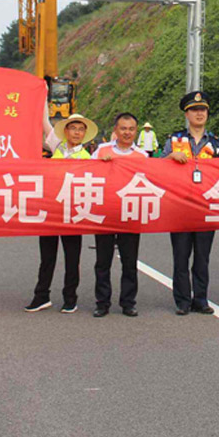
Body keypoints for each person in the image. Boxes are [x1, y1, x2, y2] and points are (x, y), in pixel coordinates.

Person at [24, 113, 98, 314]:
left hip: (73, 213)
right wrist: (41, 98)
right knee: (47, 257)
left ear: (85, 134)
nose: (77, 132)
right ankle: (41, 296)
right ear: (66, 131)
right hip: (50, 210)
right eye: (73, 128)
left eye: (81, 129)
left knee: (72, 258)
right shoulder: (57, 147)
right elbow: (44, 122)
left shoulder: (89, 158)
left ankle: (70, 298)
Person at [163, 91, 219, 315]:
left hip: (205, 209)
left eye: (203, 110)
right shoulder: (174, 141)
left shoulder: (216, 144)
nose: (199, 114)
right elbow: (159, 170)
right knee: (181, 257)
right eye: (194, 110)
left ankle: (201, 299)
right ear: (186, 114)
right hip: (180, 208)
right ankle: (182, 301)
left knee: (202, 258)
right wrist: (170, 158)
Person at [92, 112, 147, 317]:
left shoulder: (142, 156)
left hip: (131, 213)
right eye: (123, 128)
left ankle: (128, 302)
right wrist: (100, 165)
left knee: (129, 262)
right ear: (116, 130)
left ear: (136, 131)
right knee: (102, 262)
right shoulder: (101, 150)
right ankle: (102, 303)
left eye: (131, 129)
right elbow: (86, 174)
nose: (127, 132)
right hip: (105, 213)